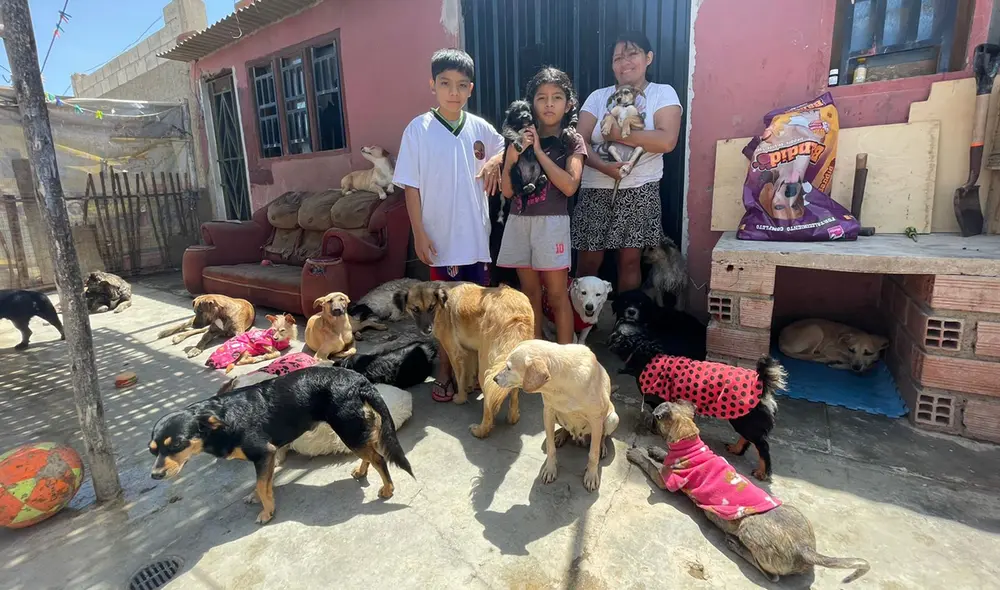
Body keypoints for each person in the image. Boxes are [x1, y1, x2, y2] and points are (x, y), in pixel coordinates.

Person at [393, 48, 504, 403]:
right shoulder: (418, 129)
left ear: (470, 89)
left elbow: (506, 145)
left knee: (476, 314)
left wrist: (495, 162)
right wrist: (419, 233)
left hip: (475, 239)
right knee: (444, 317)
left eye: (461, 85)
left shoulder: (480, 128)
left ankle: (475, 376)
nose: (453, 92)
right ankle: (445, 372)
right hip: (440, 242)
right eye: (445, 84)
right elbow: (411, 187)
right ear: (433, 85)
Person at [572, 31, 683, 293]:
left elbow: (667, 141)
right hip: (595, 186)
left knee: (630, 261)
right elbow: (578, 140)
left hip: (639, 189)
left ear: (648, 58)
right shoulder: (599, 97)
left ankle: (626, 325)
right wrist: (603, 167)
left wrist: (620, 134)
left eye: (632, 54)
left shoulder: (662, 94)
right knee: (588, 260)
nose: (625, 62)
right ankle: (581, 324)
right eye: (618, 57)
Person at [497, 67, 586, 344]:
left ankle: (566, 360)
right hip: (519, 220)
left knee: (558, 295)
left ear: (568, 103)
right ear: (531, 102)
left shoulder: (571, 141)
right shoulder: (516, 138)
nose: (549, 104)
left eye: (557, 97)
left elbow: (570, 185)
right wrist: (514, 153)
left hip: (552, 223)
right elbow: (507, 190)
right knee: (529, 294)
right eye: (541, 97)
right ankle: (534, 355)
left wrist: (537, 152)